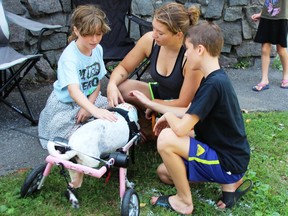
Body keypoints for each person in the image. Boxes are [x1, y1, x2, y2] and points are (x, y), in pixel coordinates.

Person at [130, 21, 252, 215]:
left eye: (188, 49)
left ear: (200, 49)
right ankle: (229, 183)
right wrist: (153, 105)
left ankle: (184, 201)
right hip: (227, 155)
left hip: (227, 160)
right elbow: (190, 109)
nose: (185, 54)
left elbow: (180, 129)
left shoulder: (213, 84)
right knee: (165, 172)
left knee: (166, 138)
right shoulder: (214, 78)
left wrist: (168, 115)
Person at [38, 5, 117, 149]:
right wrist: (94, 110)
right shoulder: (70, 58)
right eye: (88, 34)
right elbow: (73, 91)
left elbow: (96, 81)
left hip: (89, 99)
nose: (94, 39)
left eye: (98, 34)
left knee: (114, 111)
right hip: (66, 104)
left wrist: (90, 107)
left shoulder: (97, 49)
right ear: (76, 30)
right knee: (68, 137)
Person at [107, 2, 203, 118]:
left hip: (182, 107)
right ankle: (144, 126)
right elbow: (124, 68)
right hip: (160, 93)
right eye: (153, 28)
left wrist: (154, 104)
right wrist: (112, 84)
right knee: (121, 89)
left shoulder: (191, 57)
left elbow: (184, 103)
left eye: (160, 33)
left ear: (178, 35)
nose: (154, 35)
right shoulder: (150, 41)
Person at [251, 0, 288, 91]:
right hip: (266, 17)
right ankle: (264, 80)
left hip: (282, 17)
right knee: (264, 49)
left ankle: (286, 77)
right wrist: (261, 13)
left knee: (281, 49)